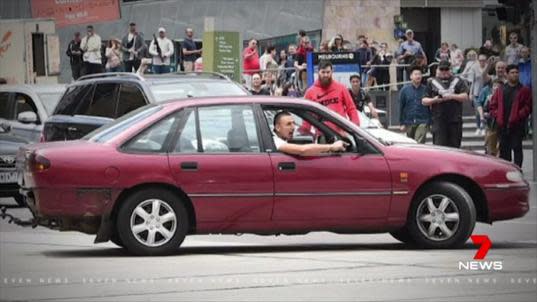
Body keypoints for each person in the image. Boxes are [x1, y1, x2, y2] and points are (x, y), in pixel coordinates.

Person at [489, 65, 532, 167]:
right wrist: (497, 114)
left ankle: (518, 170)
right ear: (507, 74)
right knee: (504, 150)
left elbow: (528, 106)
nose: (515, 75)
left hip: (517, 125)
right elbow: (493, 105)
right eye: (512, 73)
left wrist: (519, 115)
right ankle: (506, 172)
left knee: (517, 148)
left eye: (516, 72)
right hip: (502, 125)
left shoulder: (524, 90)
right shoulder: (500, 89)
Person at [422, 60, 469, 148]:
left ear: (450, 69)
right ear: (438, 70)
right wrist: (434, 100)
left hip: (455, 120)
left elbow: (465, 96)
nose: (444, 72)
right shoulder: (431, 82)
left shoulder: (458, 81)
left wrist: (452, 96)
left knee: (455, 147)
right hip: (439, 120)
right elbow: (424, 100)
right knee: (440, 147)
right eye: (442, 69)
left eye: (446, 69)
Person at [304, 61, 360, 126]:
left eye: (328, 72)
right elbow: (307, 116)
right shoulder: (310, 92)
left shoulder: (341, 88)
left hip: (340, 132)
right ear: (318, 71)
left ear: (332, 71)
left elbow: (351, 108)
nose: (326, 75)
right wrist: (305, 131)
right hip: (321, 132)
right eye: (323, 72)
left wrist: (355, 126)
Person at [272, 111, 347, 156]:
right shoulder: (275, 141)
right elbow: (302, 150)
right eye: (288, 124)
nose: (293, 127)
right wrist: (331, 147)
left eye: (293, 123)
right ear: (278, 127)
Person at [399, 66, 431, 143]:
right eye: (416, 74)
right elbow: (401, 107)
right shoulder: (404, 90)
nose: (418, 76)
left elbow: (430, 106)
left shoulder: (426, 89)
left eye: (420, 74)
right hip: (409, 121)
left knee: (419, 142)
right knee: (411, 143)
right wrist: (401, 123)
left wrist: (430, 122)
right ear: (411, 76)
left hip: (423, 120)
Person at [461, 52, 487, 135]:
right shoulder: (475, 68)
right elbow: (472, 81)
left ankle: (483, 127)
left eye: (483, 60)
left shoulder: (488, 67)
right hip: (476, 91)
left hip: (485, 92)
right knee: (477, 111)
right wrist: (470, 93)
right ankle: (478, 127)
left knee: (484, 110)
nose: (482, 62)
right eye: (480, 60)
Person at [479, 79, 503, 155]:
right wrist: (485, 114)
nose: (495, 88)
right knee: (489, 145)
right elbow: (485, 109)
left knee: (500, 147)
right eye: (494, 86)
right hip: (491, 125)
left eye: (498, 87)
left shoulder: (503, 98)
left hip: (501, 125)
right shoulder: (489, 98)